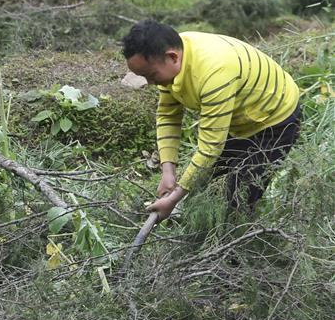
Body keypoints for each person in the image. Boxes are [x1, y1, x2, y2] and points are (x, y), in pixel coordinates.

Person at [122, 20, 301, 220]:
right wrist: (168, 171)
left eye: (151, 75)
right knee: (206, 190)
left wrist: (173, 200)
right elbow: (168, 115)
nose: (151, 83)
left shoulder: (214, 72)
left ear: (172, 57)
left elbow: (210, 148)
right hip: (239, 118)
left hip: (275, 119)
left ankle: (239, 234)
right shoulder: (173, 57)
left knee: (238, 198)